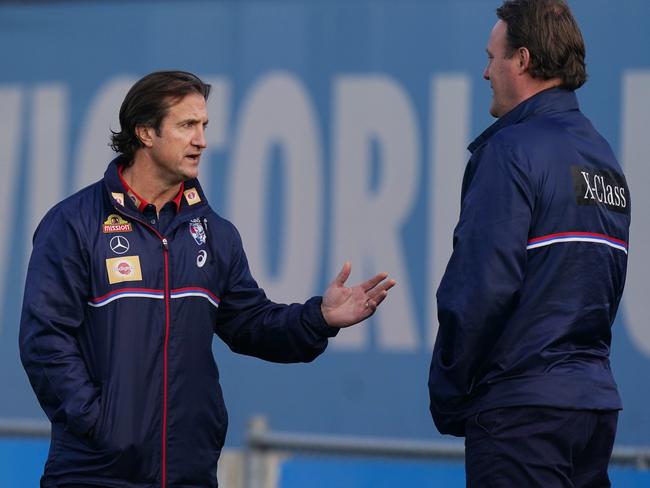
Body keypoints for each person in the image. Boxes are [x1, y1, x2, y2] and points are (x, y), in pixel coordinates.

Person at [19, 70, 396, 487]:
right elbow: (45, 339)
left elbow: (250, 324)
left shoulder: (215, 233)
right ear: (145, 132)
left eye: (204, 126)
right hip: (94, 474)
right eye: (186, 126)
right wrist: (101, 424)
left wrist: (319, 319)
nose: (201, 140)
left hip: (189, 472)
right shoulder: (74, 224)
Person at [428, 1, 630, 486]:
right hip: (591, 411)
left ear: (521, 60)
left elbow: (479, 287)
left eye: (492, 57)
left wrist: (449, 393)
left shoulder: (510, 151)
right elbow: (601, 289)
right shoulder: (604, 159)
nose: (484, 72)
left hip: (521, 416)